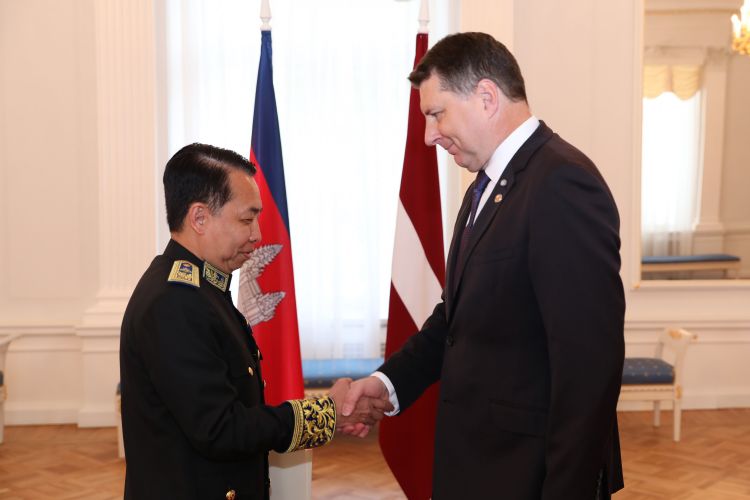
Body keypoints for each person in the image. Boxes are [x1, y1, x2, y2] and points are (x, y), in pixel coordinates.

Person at [342, 32, 625, 499]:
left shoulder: (561, 183)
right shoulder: (484, 187)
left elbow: (588, 367)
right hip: (479, 465)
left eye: (437, 113)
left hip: (530, 475)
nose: (430, 135)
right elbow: (456, 318)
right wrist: (388, 384)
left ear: (487, 97)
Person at [120, 143, 391, 500]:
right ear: (199, 218)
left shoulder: (202, 288)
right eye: (246, 220)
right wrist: (326, 413)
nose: (258, 235)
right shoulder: (174, 302)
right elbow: (221, 429)